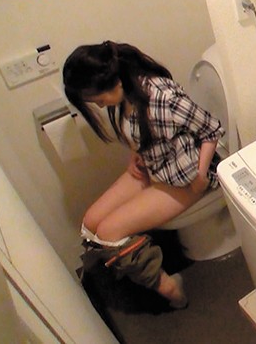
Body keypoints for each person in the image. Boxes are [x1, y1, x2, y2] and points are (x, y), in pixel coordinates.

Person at [63, 41, 225, 309]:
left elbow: (211, 130)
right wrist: (136, 153)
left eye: (99, 100)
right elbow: (140, 129)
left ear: (114, 81)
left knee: (109, 231)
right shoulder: (125, 94)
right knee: (91, 222)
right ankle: (139, 269)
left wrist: (199, 178)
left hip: (186, 174)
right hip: (157, 165)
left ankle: (167, 286)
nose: (100, 106)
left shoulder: (163, 97)